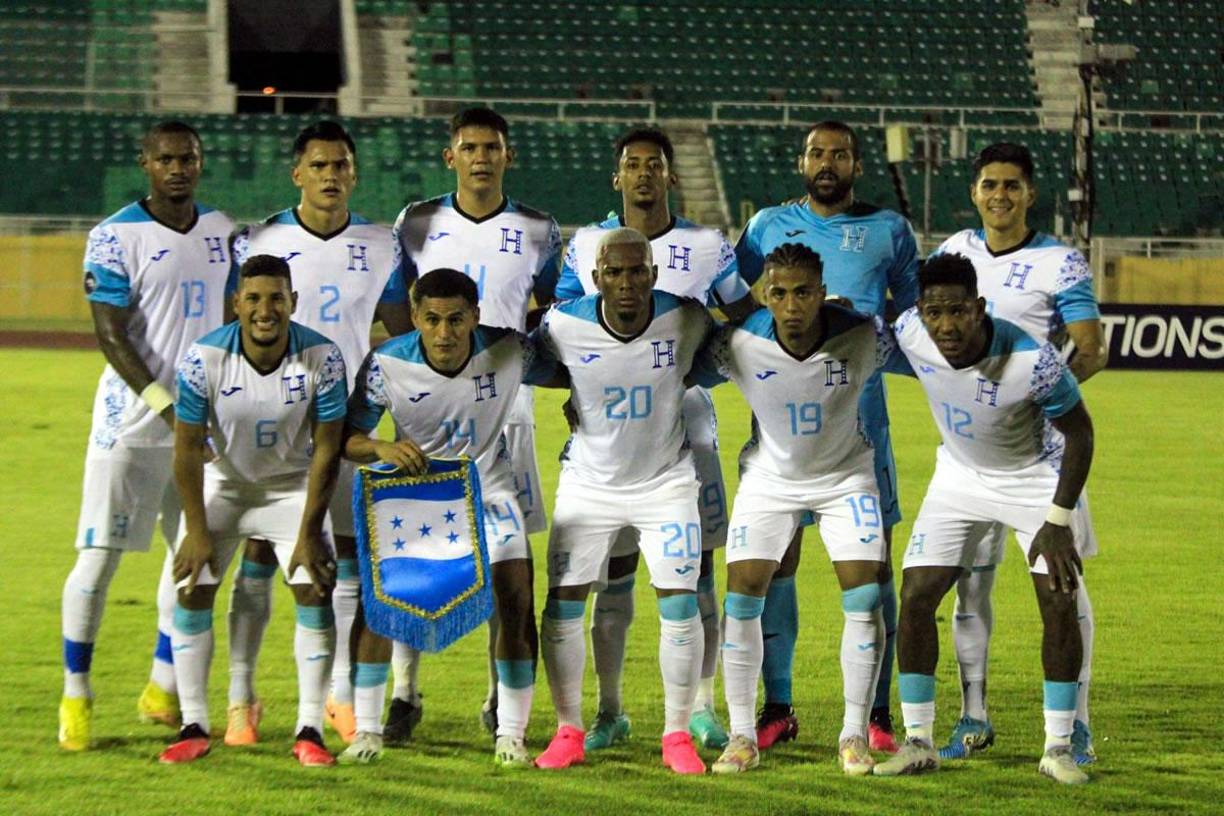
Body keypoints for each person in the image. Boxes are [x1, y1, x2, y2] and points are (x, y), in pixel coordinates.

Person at [555, 126, 756, 752]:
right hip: (609, 433)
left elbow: (743, 318)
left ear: (671, 175)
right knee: (611, 576)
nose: (643, 174)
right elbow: (560, 327)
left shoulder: (707, 243)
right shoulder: (587, 242)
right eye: (631, 165)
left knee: (695, 574)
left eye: (654, 165)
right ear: (616, 176)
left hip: (688, 427)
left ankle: (699, 707)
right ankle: (609, 711)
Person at [222, 120, 411, 747]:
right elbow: (238, 324)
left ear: (355, 173)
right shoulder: (260, 241)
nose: (332, 176)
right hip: (271, 423)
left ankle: (337, 697)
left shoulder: (382, 245)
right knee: (257, 554)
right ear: (297, 173)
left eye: (342, 166)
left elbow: (400, 330)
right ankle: (241, 698)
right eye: (320, 166)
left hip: (349, 426)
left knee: (345, 563)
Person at [872, 253, 1094, 785]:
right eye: (933, 312)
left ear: (979, 307)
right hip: (959, 476)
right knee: (917, 593)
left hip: (1032, 477)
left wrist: (1059, 519)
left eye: (956, 311)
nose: (944, 325)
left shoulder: (1032, 360)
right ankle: (919, 740)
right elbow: (862, 328)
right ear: (919, 311)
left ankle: (1059, 746)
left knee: (1058, 597)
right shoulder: (910, 330)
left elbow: (1081, 432)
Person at [734, 120, 919, 752]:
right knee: (774, 567)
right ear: (801, 160)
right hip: (781, 433)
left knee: (874, 572)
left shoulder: (890, 230)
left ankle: (875, 711)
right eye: (817, 152)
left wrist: (847, 319)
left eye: (840, 154)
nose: (827, 162)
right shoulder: (764, 227)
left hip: (861, 431)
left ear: (857, 165)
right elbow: (736, 304)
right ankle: (778, 704)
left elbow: (913, 320)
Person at [59, 121, 236, 750]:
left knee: (197, 558)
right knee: (99, 559)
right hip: (132, 424)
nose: (178, 168)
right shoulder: (112, 236)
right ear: (146, 164)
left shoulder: (224, 233)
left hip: (200, 425)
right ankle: (75, 694)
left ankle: (162, 685)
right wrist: (168, 407)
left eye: (188, 158)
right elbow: (111, 336)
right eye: (166, 159)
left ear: (200, 162)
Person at [930, 142, 1106, 765]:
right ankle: (973, 716)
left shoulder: (1060, 262)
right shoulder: (953, 252)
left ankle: (1074, 725)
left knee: (1060, 584)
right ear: (974, 192)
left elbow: (1089, 346)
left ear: (1031, 193)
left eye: (1011, 185)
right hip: (970, 454)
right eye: (988, 185)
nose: (998, 195)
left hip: (1042, 454)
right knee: (969, 590)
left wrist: (1036, 400)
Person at [390, 106, 561, 740]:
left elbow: (550, 310)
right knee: (417, 549)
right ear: (451, 156)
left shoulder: (539, 228)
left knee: (504, 557)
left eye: (492, 147)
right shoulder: (417, 222)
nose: (481, 157)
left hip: (507, 412)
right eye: (470, 147)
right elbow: (397, 305)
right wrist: (420, 380)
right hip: (430, 411)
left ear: (507, 156)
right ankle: (405, 693)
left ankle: (497, 699)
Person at [689, 243, 891, 776]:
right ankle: (740, 736)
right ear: (763, 295)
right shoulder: (738, 341)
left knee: (866, 596)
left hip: (847, 477)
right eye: (779, 293)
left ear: (822, 292)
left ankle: (853, 735)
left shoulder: (863, 335)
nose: (793, 305)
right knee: (743, 596)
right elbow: (676, 368)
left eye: (804, 292)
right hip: (770, 479)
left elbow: (937, 361)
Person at [341, 267, 547, 767]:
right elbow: (347, 436)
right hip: (419, 495)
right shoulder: (385, 363)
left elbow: (575, 365)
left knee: (516, 593)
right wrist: (380, 446)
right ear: (414, 318)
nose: (444, 333)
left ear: (475, 316)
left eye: (457, 320)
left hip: (487, 490)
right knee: (379, 605)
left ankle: (511, 733)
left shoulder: (510, 349)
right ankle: (367, 731)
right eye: (431, 320)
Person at [527, 228, 713, 774]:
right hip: (590, 482)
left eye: (637, 272)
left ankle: (676, 734)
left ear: (654, 275)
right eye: (614, 273)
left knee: (679, 601)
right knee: (563, 604)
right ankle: (569, 729)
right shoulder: (563, 324)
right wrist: (575, 396)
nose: (626, 284)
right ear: (596, 277)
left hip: (666, 482)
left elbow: (728, 348)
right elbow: (533, 359)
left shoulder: (686, 318)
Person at [159, 254, 347, 767]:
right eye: (255, 299)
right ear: (237, 304)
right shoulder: (203, 359)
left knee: (313, 585)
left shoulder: (324, 358)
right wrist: (196, 531)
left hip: (289, 487)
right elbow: (186, 449)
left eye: (277, 298)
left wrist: (309, 530)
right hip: (226, 485)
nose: (266, 310)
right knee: (191, 585)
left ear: (293, 302)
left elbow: (328, 451)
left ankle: (310, 726)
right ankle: (193, 723)